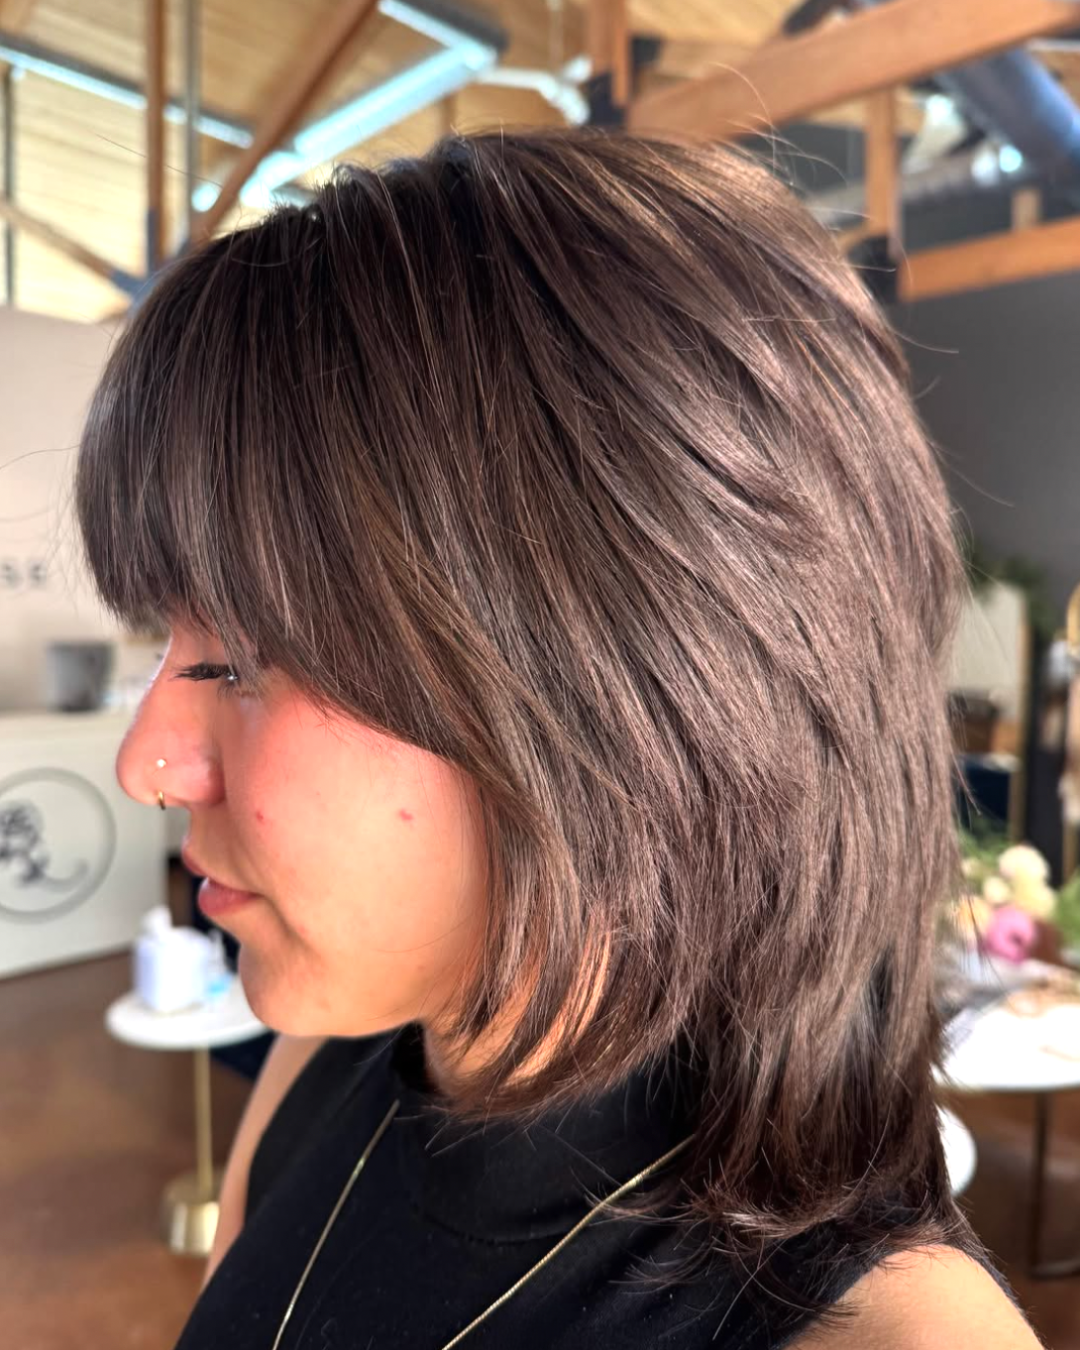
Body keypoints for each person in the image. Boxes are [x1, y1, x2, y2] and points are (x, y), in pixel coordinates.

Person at [74, 129, 1042, 1349]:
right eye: (169, 640)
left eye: (248, 656)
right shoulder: (319, 1067)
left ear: (624, 684)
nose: (149, 763)